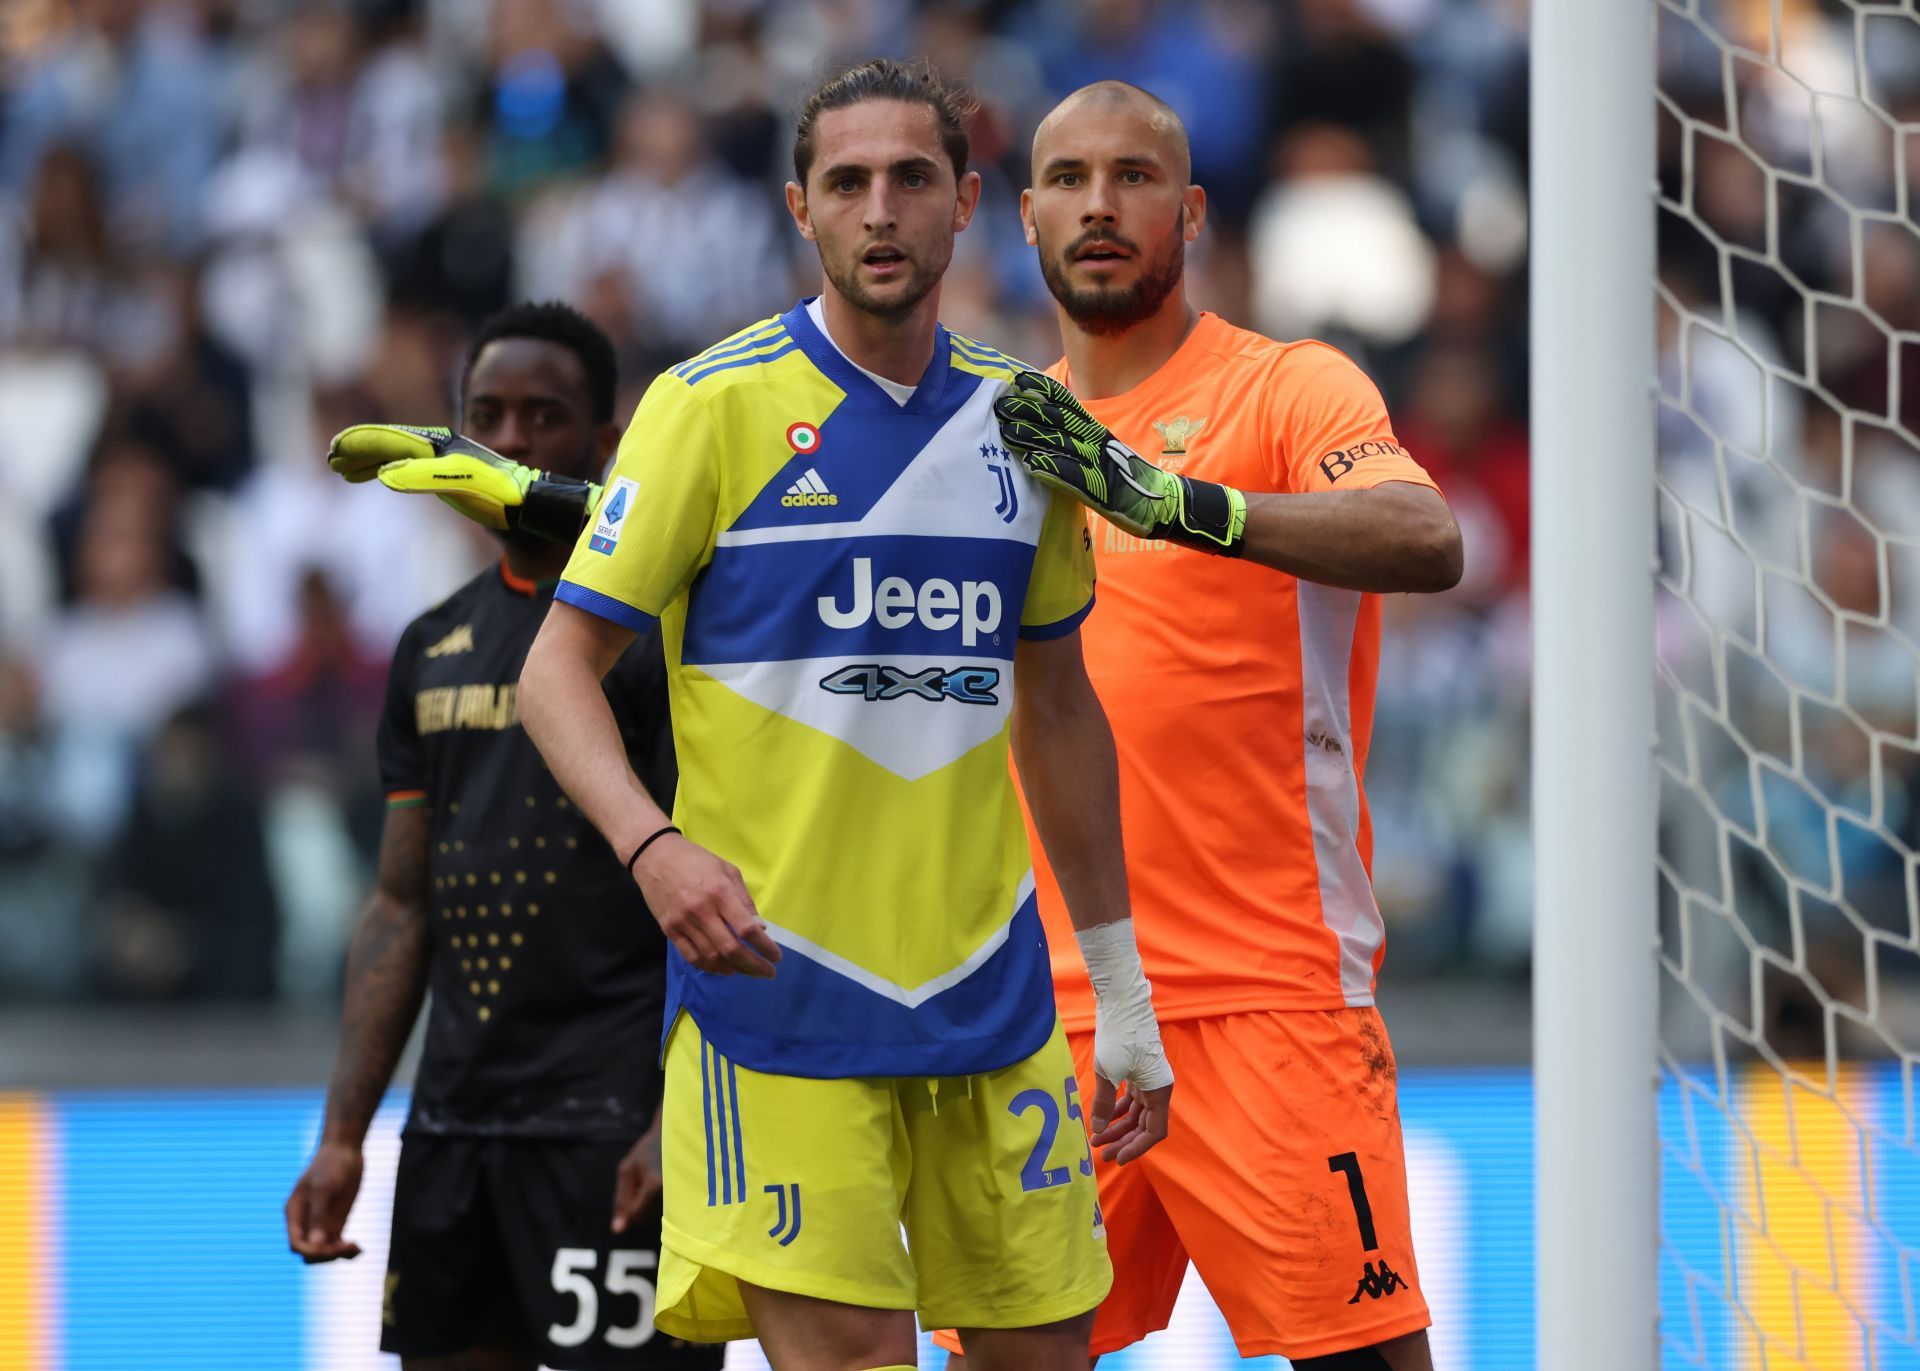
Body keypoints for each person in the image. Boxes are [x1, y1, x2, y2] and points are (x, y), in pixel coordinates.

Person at [515, 60, 1173, 1371]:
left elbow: (1058, 712)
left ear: (969, 202)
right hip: (780, 1006)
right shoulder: (708, 409)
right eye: (848, 183)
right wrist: (654, 848)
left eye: (912, 179)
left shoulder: (1030, 423)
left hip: (993, 999)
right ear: (799, 210)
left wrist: (1123, 990)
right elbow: (554, 672)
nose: (880, 210)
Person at [947, 82, 1464, 1371]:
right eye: (1068, 179)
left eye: (1133, 178)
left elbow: (1424, 534)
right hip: (1046, 1008)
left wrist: (1181, 503)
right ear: (1024, 216)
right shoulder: (991, 431)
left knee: (1360, 1360)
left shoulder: (1290, 389)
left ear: (1191, 212)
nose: (1100, 205)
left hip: (1268, 993)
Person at [284, 301, 720, 1371]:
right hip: (456, 1127)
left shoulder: (671, 635)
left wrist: (683, 1116)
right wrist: (345, 1134)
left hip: (616, 1126)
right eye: (489, 416)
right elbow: (399, 904)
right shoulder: (431, 647)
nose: (514, 443)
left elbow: (725, 880)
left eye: (546, 416)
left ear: (608, 445)